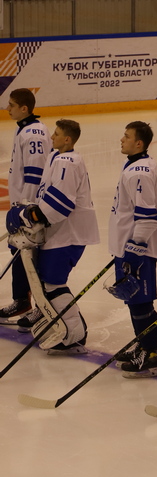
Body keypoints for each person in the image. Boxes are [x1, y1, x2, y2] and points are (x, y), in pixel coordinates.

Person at [6, 119, 100, 354]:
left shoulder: (67, 162)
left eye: (56, 134)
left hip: (67, 234)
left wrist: (28, 216)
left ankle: (75, 334)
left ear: (67, 139)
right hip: (59, 233)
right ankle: (66, 326)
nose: (52, 137)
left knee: (53, 283)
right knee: (48, 282)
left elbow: (60, 204)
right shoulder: (57, 158)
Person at [106, 121, 157, 378]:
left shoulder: (138, 171)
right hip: (130, 247)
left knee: (141, 304)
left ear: (138, 143)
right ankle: (143, 345)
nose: (122, 139)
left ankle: (151, 353)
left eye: (127, 136)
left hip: (138, 250)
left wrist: (133, 250)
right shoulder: (136, 164)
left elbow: (149, 217)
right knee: (134, 301)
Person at [0, 89, 51, 324]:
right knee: (19, 251)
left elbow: (35, 174)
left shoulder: (34, 133)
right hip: (20, 204)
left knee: (31, 254)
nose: (7, 108)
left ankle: (40, 305)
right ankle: (22, 300)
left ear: (24, 108)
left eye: (11, 105)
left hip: (28, 206)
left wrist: (27, 211)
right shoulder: (24, 129)